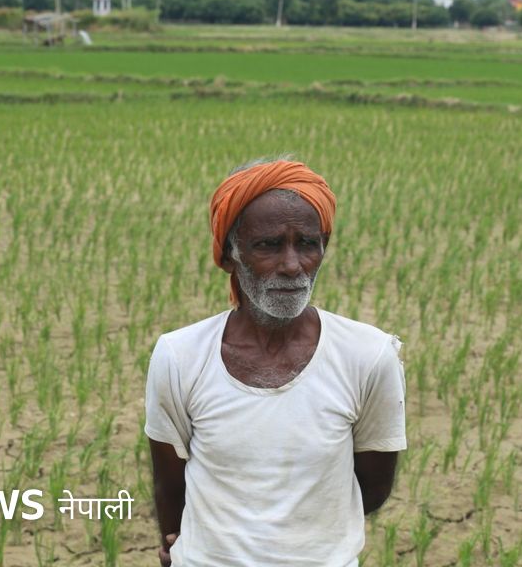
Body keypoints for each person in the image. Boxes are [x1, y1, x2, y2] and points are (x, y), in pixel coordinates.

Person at [144, 158, 407, 567]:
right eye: (267, 245)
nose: (291, 265)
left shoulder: (368, 356)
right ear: (229, 255)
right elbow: (168, 482)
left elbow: (370, 489)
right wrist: (180, 547)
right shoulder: (180, 355)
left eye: (307, 244)